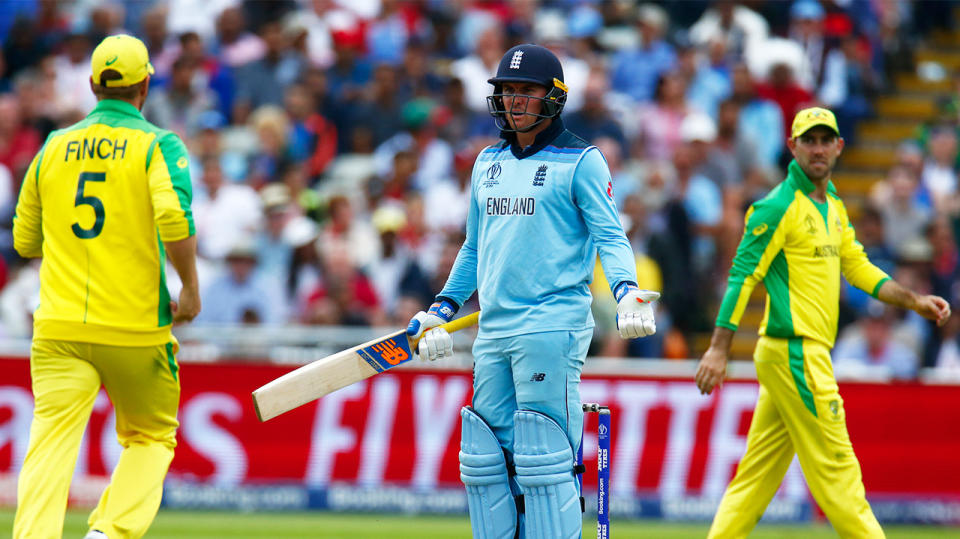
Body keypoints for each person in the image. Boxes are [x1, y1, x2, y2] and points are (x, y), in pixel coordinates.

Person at [405, 44, 659, 539]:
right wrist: (441, 308)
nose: (515, 101)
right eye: (507, 91)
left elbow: (611, 235)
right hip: (494, 330)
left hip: (551, 325)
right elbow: (474, 249)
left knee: (543, 461)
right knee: (485, 463)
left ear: (554, 97)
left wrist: (627, 290)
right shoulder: (487, 161)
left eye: (527, 91)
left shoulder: (582, 160)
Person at [694, 107, 951, 538]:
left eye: (824, 140)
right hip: (796, 352)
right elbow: (742, 275)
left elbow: (858, 267)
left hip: (792, 355)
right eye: (807, 140)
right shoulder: (776, 206)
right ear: (792, 146)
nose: (817, 148)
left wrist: (914, 300)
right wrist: (719, 348)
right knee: (838, 470)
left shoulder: (832, 206)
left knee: (755, 479)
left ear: (838, 146)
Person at [11, 35, 201, 539]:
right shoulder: (159, 145)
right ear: (144, 85)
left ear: (95, 85)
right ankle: (110, 532)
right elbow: (173, 219)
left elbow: (26, 241)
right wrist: (191, 290)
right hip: (135, 327)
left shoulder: (52, 147)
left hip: (58, 326)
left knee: (50, 443)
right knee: (152, 435)